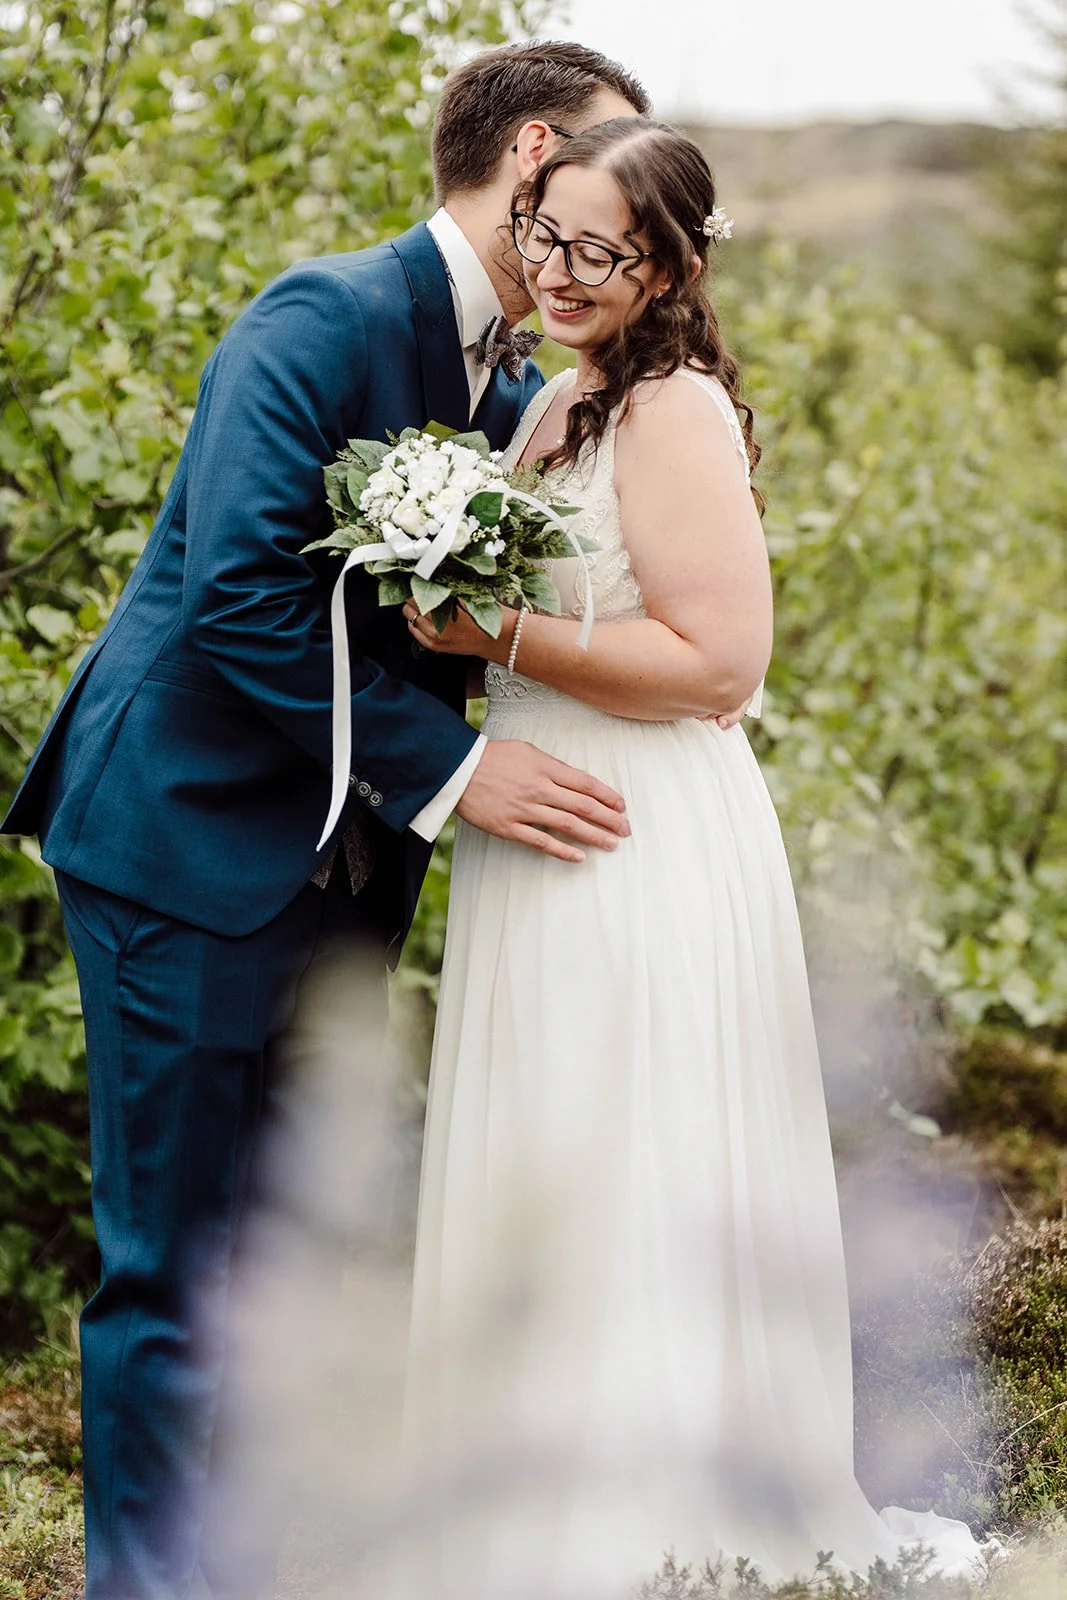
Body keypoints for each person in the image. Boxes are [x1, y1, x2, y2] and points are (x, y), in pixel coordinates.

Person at [0, 43, 667, 1600]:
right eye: (614, 170)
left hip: (334, 874)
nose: (624, 211)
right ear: (537, 158)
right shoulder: (324, 313)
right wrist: (449, 772)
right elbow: (236, 597)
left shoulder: (504, 377)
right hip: (184, 843)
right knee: (176, 1263)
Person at [401, 116, 987, 1591]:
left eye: (598, 249)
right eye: (544, 236)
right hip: (538, 820)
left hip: (637, 825)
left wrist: (487, 633)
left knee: (630, 1152)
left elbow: (721, 663)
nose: (559, 269)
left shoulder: (671, 412)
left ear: (666, 265)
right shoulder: (543, 409)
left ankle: (646, 1525)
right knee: (549, 1146)